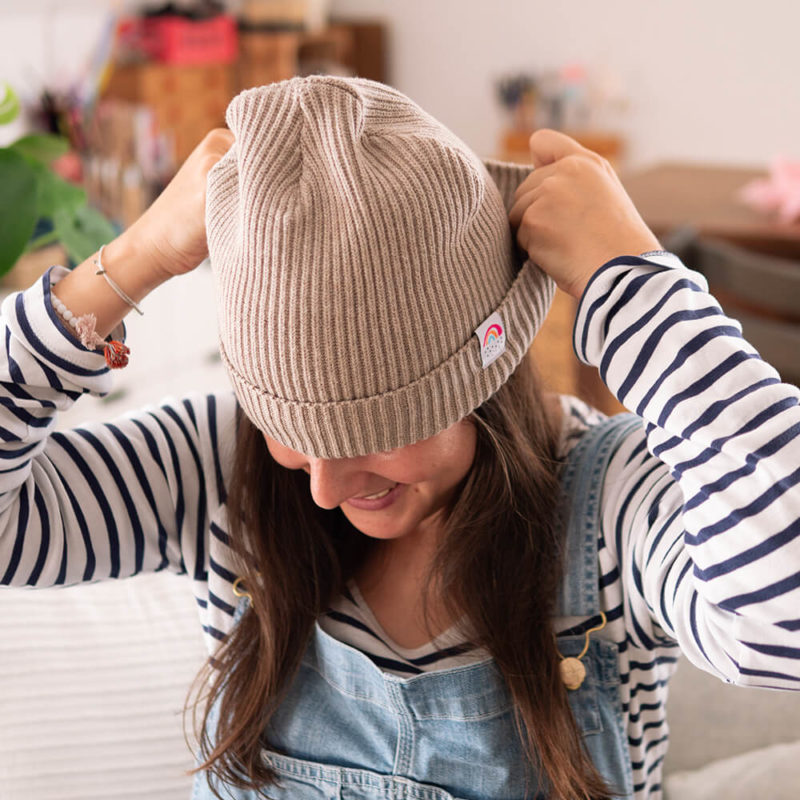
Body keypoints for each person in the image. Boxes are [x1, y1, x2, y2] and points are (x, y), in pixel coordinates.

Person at [1, 75, 798, 800]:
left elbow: (782, 628)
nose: (321, 487)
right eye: (291, 430)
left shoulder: (613, 506)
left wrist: (638, 289)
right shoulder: (217, 469)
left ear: (479, 381)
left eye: (370, 434)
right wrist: (132, 261)